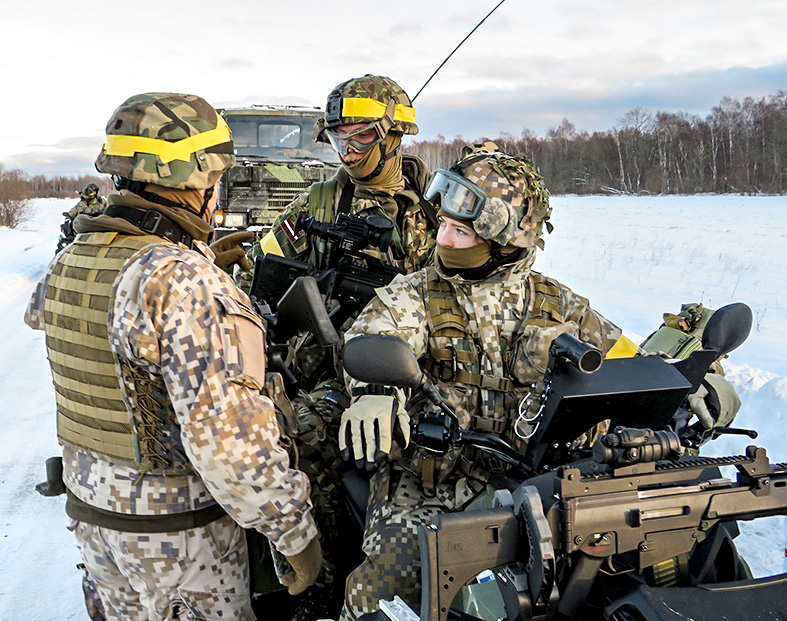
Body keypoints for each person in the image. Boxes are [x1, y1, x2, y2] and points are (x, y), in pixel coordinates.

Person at [25, 92, 321, 620]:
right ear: (197, 178)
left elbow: (50, 317)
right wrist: (293, 531)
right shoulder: (181, 279)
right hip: (177, 544)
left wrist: (196, 263)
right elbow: (226, 441)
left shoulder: (75, 257)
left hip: (94, 520)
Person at [338, 142, 640, 619]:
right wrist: (375, 391)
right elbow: (375, 332)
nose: (444, 240)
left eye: (461, 230)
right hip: (434, 487)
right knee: (383, 590)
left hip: (539, 483)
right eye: (443, 224)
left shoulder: (560, 303)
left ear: (505, 240)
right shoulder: (417, 292)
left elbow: (629, 361)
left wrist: (695, 383)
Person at [236, 74, 439, 621]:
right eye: (337, 138)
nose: (347, 152)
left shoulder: (438, 208)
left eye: (360, 138)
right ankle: (316, 587)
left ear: (395, 136)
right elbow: (266, 265)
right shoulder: (322, 199)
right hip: (330, 369)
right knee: (293, 442)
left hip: (415, 370)